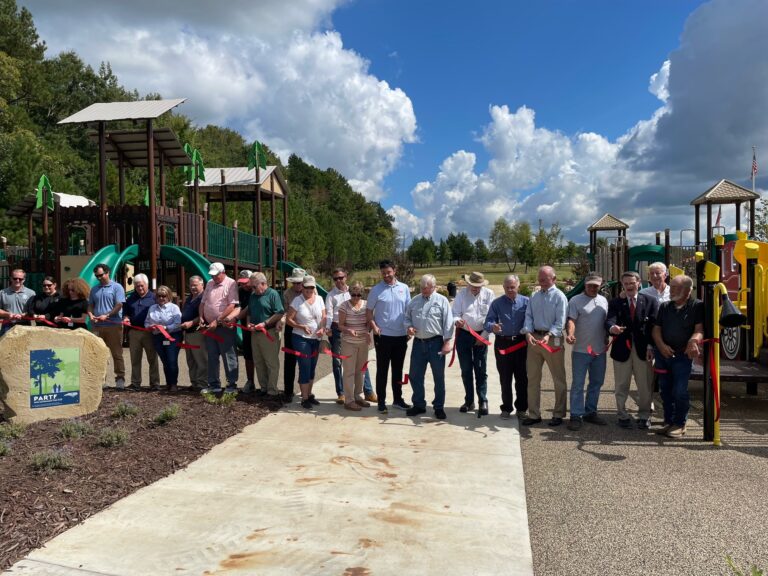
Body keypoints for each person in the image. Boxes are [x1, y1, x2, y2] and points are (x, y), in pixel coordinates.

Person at [652, 275, 704, 438]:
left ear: (688, 291)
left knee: (680, 390)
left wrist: (694, 341)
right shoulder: (665, 306)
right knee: (665, 390)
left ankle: (680, 423)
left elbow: (699, 329)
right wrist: (661, 346)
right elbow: (656, 329)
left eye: (675, 287)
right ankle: (669, 421)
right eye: (671, 286)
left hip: (682, 355)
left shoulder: (697, 306)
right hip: (663, 354)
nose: (671, 290)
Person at [606, 271, 659, 429]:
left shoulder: (650, 301)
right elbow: (609, 319)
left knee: (644, 385)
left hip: (644, 350)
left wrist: (651, 346)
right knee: (621, 385)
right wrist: (612, 327)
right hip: (622, 350)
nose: (629, 286)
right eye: (626, 284)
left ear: (639, 283)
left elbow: (654, 326)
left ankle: (644, 416)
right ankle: (622, 415)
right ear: (622, 285)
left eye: (631, 283)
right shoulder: (615, 302)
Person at [520, 266, 568, 426]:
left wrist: (549, 335)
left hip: (552, 340)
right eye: (540, 279)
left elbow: (560, 322)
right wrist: (527, 333)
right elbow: (528, 316)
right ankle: (534, 414)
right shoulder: (534, 296)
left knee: (558, 378)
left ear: (553, 279)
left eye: (545, 279)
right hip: (534, 339)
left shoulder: (560, 297)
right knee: (532, 378)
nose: (541, 282)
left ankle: (559, 413)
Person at [404, 274, 454, 420]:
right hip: (419, 343)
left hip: (436, 343)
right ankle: (419, 405)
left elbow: (448, 323)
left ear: (434, 287)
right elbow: (407, 318)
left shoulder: (442, 301)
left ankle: (439, 407)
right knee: (415, 375)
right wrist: (409, 327)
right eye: (422, 288)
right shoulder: (414, 301)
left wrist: (447, 342)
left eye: (427, 288)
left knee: (438, 377)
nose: (424, 291)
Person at [565, 272, 609, 431]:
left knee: (596, 382)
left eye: (596, 285)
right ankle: (576, 415)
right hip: (581, 351)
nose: (592, 288)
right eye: (590, 285)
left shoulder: (604, 300)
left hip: (599, 351)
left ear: (600, 285)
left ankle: (590, 411)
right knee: (578, 384)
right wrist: (570, 334)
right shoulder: (576, 300)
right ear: (585, 284)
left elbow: (606, 323)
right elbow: (571, 320)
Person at [325, 267, 376, 404]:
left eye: (341, 277)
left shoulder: (353, 290)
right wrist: (328, 328)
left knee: (361, 365)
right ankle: (342, 394)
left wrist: (368, 331)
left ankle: (367, 391)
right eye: (336, 278)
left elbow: (368, 317)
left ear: (346, 277)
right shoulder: (331, 296)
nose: (338, 281)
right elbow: (329, 314)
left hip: (360, 334)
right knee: (339, 363)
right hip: (337, 329)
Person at [367, 260, 412, 414]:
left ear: (395, 270)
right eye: (383, 273)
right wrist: (374, 327)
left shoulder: (404, 288)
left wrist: (409, 329)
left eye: (389, 272)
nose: (386, 275)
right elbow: (368, 312)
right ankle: (381, 401)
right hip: (383, 337)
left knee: (398, 370)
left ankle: (398, 400)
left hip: (400, 336)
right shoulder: (376, 290)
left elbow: (408, 311)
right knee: (382, 370)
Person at [485, 274, 529, 419]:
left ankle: (522, 409)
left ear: (518, 286)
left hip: (521, 343)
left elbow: (531, 320)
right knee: (505, 378)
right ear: (503, 287)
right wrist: (493, 327)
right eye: (507, 287)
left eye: (513, 287)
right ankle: (506, 408)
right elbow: (488, 322)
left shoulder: (526, 302)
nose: (510, 290)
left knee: (522, 378)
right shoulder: (496, 303)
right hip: (503, 344)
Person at [452, 271, 494, 415]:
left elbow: (492, 318)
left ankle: (483, 400)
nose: (475, 288)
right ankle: (469, 400)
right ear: (468, 283)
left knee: (481, 369)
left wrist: (483, 336)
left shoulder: (489, 294)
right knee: (466, 369)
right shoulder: (461, 294)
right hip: (464, 335)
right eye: (473, 285)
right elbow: (455, 313)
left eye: (478, 286)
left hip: (482, 335)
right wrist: (457, 320)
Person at [199, 262, 240, 394]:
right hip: (210, 326)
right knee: (212, 355)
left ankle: (232, 384)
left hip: (224, 326)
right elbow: (203, 302)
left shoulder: (231, 283)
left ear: (223, 272)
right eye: (213, 275)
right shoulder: (210, 283)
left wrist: (217, 320)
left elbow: (232, 305)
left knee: (228, 355)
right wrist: (201, 317)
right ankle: (214, 384)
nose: (214, 278)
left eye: (216, 275)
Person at [286, 275, 326, 409]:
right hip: (300, 338)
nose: (309, 290)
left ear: (314, 287)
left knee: (312, 368)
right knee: (305, 366)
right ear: (302, 287)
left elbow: (324, 316)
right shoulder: (297, 300)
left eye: (311, 287)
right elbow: (288, 320)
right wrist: (301, 326)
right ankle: (304, 398)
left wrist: (322, 328)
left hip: (316, 338)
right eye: (306, 287)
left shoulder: (319, 299)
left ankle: (308, 394)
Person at [243, 272, 284, 398]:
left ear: (263, 284)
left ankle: (272, 390)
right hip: (255, 333)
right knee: (259, 361)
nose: (253, 289)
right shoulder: (253, 295)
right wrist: (249, 323)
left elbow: (279, 312)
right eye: (252, 287)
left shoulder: (273, 294)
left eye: (254, 287)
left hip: (269, 333)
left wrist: (265, 323)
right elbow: (249, 312)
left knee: (271, 362)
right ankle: (264, 387)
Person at [88, 263, 126, 389]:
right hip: (97, 325)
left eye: (100, 275)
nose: (98, 278)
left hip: (113, 325)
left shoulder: (117, 287)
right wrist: (90, 314)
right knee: (98, 353)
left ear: (107, 272)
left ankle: (120, 378)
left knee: (116, 353)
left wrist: (108, 315)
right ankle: (101, 380)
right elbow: (90, 305)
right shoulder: (94, 289)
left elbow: (119, 304)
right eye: (96, 276)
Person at [337, 281, 372, 412]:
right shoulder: (344, 306)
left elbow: (369, 322)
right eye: (353, 294)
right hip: (349, 343)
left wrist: (368, 332)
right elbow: (340, 325)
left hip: (363, 343)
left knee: (361, 371)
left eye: (358, 294)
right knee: (349, 372)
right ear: (349, 293)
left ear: (362, 294)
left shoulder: (367, 305)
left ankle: (358, 396)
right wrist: (348, 330)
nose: (356, 297)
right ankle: (349, 400)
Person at [123, 274, 160, 391]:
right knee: (135, 359)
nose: (139, 288)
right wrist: (126, 318)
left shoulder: (154, 298)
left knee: (152, 358)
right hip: (134, 332)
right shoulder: (130, 298)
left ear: (147, 285)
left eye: (141, 286)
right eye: (137, 286)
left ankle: (155, 384)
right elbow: (126, 313)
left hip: (149, 332)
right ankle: (135, 383)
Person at [144, 285, 182, 392]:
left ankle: (174, 383)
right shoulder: (152, 308)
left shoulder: (174, 308)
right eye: (159, 296)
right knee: (165, 361)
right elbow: (146, 322)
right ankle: (168, 383)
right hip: (157, 337)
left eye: (164, 296)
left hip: (172, 336)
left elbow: (178, 323)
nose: (161, 298)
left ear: (168, 296)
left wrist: (165, 328)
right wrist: (150, 327)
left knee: (172, 360)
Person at [282, 268, 306, 402]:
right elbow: (286, 312)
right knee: (290, 360)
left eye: (300, 283)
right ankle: (288, 391)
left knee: (305, 361)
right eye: (295, 283)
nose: (298, 285)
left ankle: (305, 391)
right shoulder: (287, 294)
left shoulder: (309, 292)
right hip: (291, 329)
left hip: (305, 330)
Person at [180, 275, 207, 390]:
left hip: (198, 332)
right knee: (191, 360)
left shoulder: (204, 298)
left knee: (201, 359)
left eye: (195, 285)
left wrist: (192, 322)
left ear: (202, 285)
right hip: (188, 333)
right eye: (191, 285)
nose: (192, 287)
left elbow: (204, 314)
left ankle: (202, 383)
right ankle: (194, 383)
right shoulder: (189, 298)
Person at [0, 268, 36, 334]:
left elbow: (33, 310)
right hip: (7, 325)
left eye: (20, 279)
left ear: (24, 280)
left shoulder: (31, 293)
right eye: (15, 278)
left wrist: (23, 315)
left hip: (25, 325)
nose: (17, 280)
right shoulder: (2, 293)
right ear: (11, 278)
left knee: (25, 344)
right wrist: (8, 314)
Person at [237, 270, 256, 393]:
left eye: (246, 282)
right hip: (246, 328)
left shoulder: (257, 291)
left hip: (260, 328)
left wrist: (234, 318)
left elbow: (248, 308)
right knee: (248, 355)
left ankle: (267, 385)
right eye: (242, 283)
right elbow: (237, 307)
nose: (244, 285)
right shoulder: (239, 291)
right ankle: (250, 381)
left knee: (262, 357)